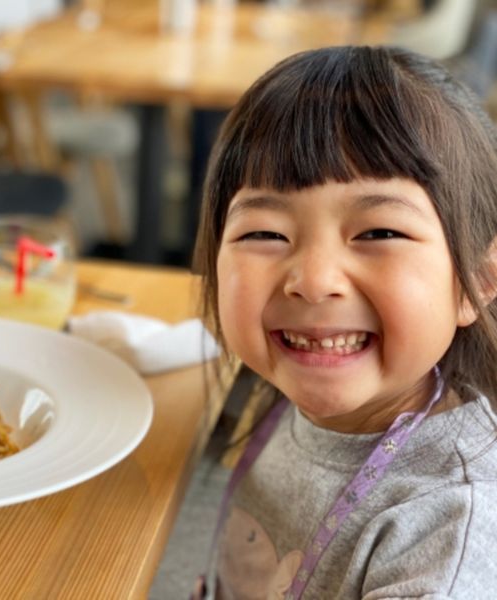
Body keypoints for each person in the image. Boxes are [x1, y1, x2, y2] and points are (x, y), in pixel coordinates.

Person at [192, 45, 497, 599]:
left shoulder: (451, 526)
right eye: (264, 234)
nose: (312, 279)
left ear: (478, 280)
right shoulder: (296, 385)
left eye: (378, 233)